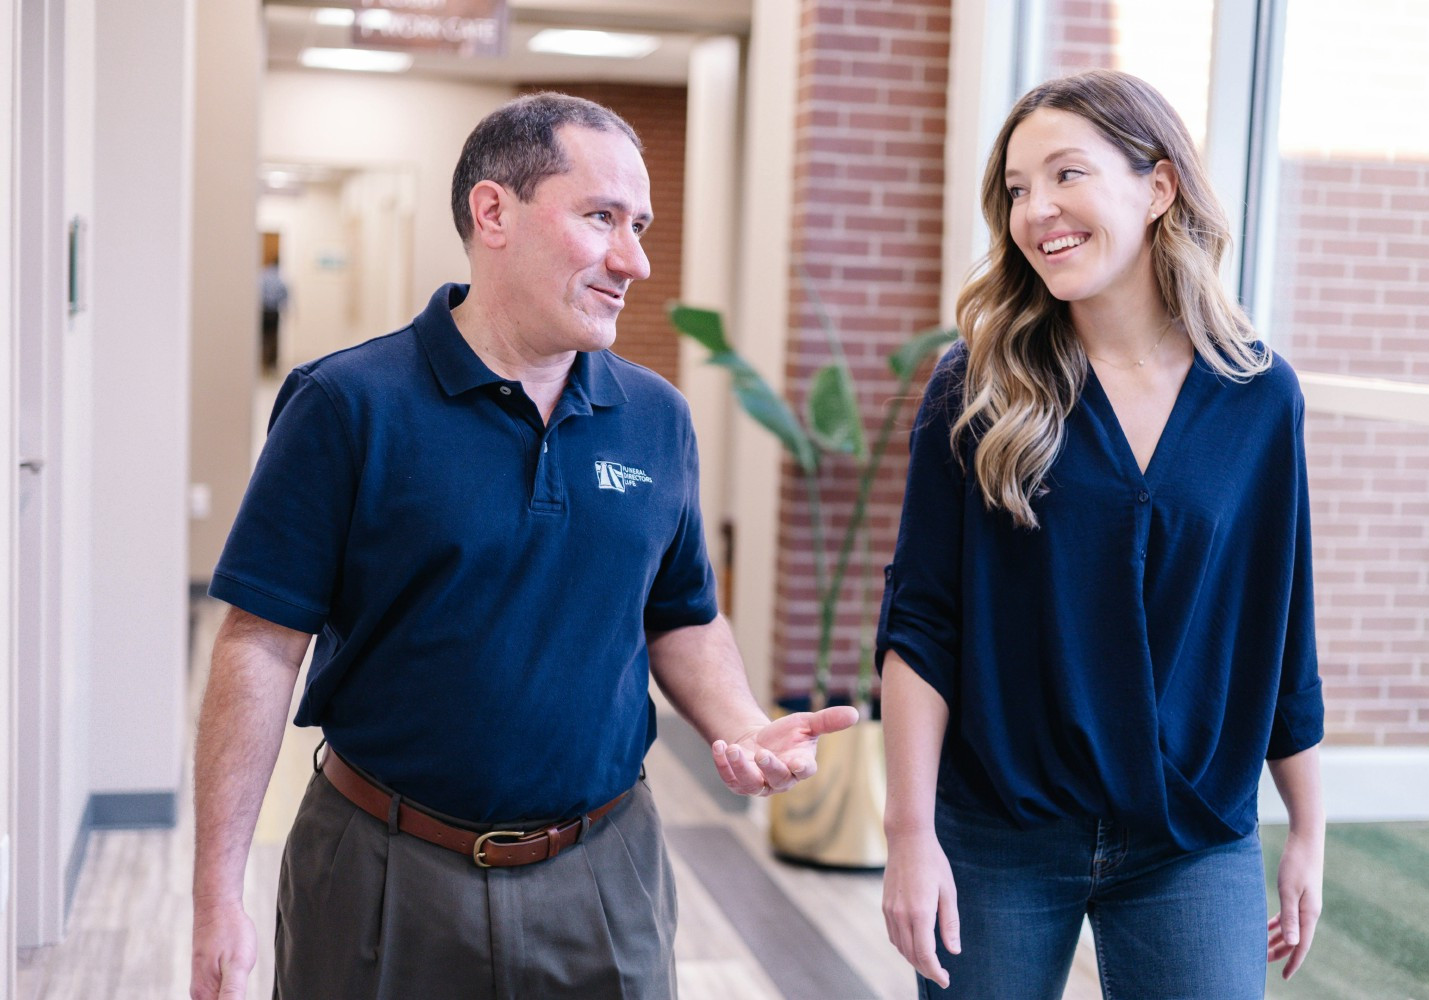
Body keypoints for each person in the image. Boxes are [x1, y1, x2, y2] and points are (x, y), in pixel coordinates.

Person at [190, 92, 857, 1000]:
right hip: (384, 870)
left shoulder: (656, 418)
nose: (635, 259)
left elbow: (683, 615)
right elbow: (260, 646)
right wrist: (217, 892)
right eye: (601, 218)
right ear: (493, 212)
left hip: (603, 872)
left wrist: (741, 724)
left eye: (641, 225)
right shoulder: (347, 405)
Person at [877, 70, 1325, 999]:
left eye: (1066, 175)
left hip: (1192, 834)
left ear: (1159, 187)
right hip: (1000, 829)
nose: (1036, 210)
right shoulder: (978, 386)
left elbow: (1282, 626)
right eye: (1016, 188)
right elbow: (921, 622)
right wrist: (908, 837)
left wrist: (1308, 836)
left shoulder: (1258, 394)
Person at [259, 258, 289, 373]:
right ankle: (272, 364)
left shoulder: (263, 276)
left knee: (264, 338)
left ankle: (264, 363)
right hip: (274, 312)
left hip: (264, 311)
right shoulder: (280, 278)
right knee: (273, 338)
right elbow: (285, 295)